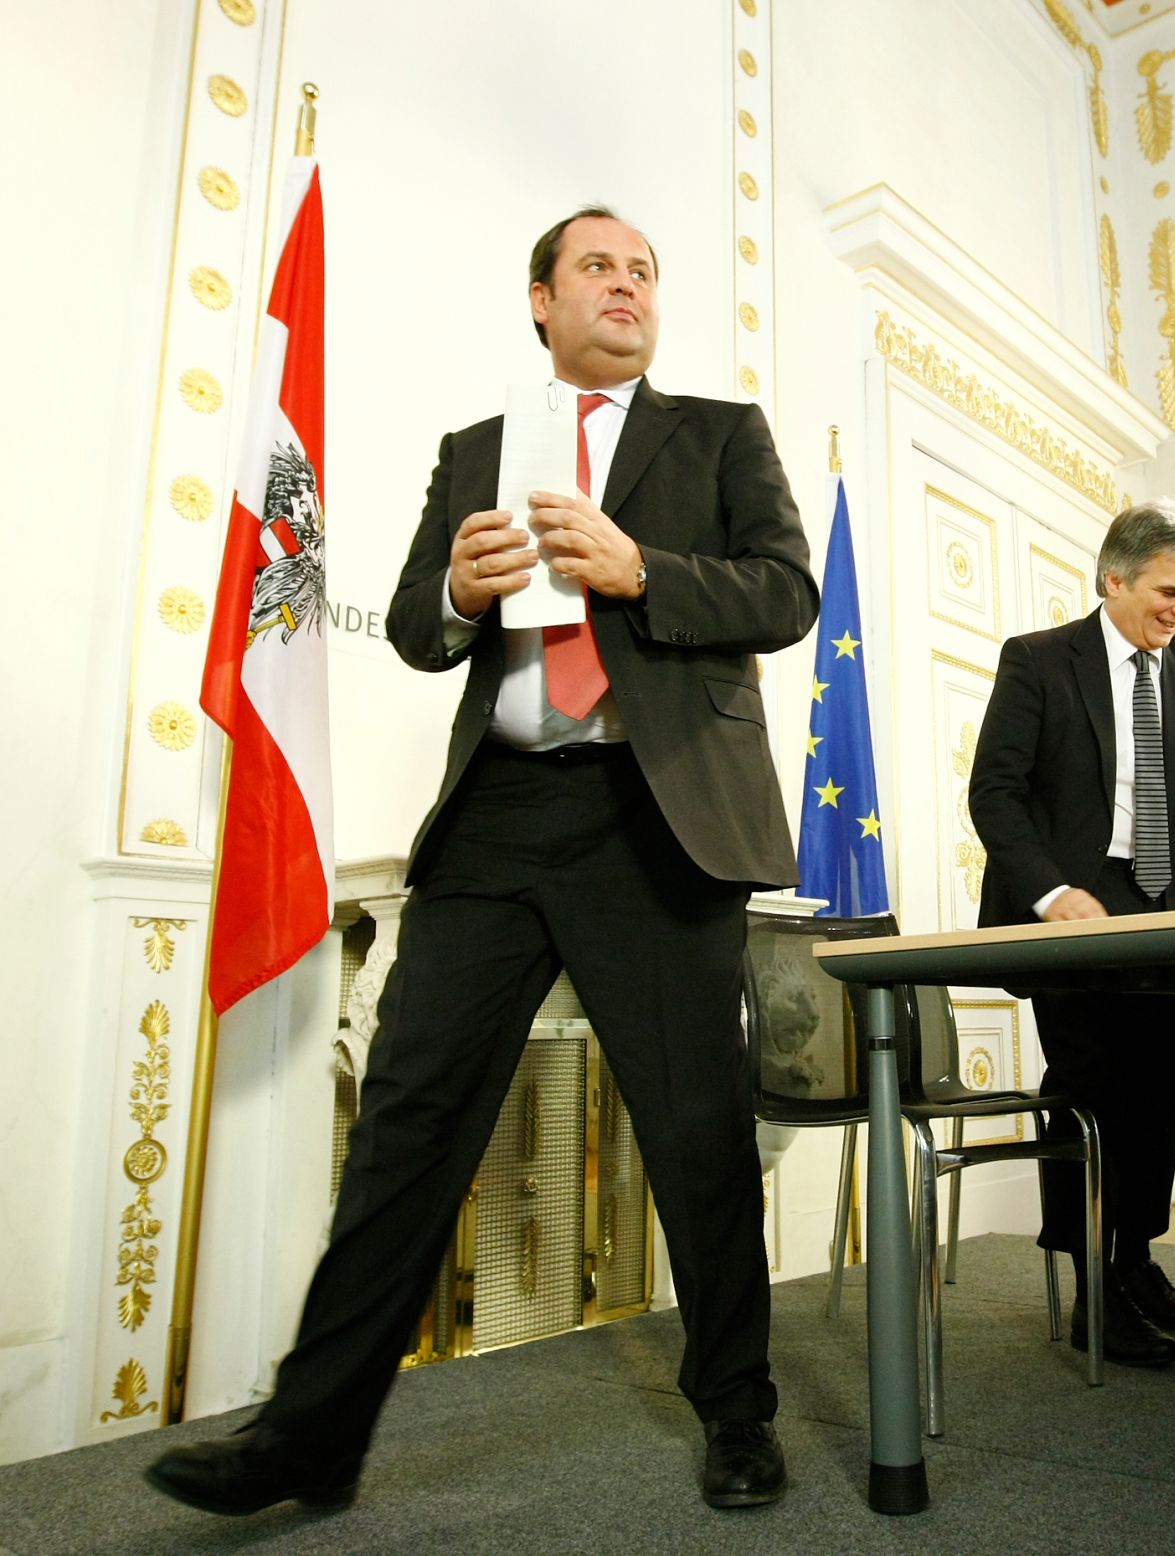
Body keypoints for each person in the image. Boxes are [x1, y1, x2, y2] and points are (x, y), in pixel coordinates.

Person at [147, 205, 816, 1513]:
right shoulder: (478, 451)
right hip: (499, 815)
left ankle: (739, 1412)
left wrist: (642, 571)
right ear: (540, 299)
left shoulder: (720, 436)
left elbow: (786, 593)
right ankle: (310, 1439)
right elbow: (410, 624)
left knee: (695, 1136)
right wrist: (456, 591)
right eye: (598, 267)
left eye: (643, 271)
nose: (626, 285)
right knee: (406, 1121)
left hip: (657, 812)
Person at [968, 500, 1175, 1367]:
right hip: (1068, 910)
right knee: (1090, 1091)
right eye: (1169, 590)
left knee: (1160, 1089)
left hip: (1161, 905)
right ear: (1114, 580)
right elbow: (995, 793)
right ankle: (1093, 1295)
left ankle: (1136, 1260)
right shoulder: (1038, 661)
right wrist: (1049, 893)